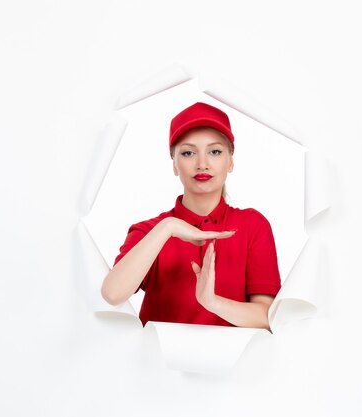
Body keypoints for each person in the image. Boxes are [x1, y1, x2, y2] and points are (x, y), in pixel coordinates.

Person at [100, 102, 281, 330]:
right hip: (155, 364)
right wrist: (168, 228)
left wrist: (212, 302)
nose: (202, 164)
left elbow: (268, 316)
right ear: (174, 164)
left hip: (233, 364)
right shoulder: (151, 230)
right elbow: (112, 293)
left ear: (231, 161)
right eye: (188, 153)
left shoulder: (252, 225)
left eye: (215, 151)